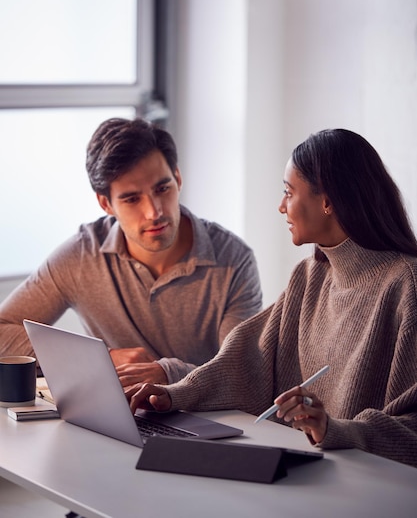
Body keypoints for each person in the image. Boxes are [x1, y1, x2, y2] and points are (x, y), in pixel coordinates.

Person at [126, 128, 417, 467]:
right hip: (309, 472)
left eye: (288, 192)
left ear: (327, 201)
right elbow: (247, 360)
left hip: (368, 487)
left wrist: (335, 430)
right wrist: (174, 394)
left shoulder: (407, 287)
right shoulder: (309, 276)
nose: (281, 206)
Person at [0, 118, 263, 384]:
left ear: (178, 178)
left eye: (162, 189)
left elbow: (241, 370)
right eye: (132, 199)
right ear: (106, 204)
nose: (154, 212)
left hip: (207, 418)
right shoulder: (80, 257)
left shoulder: (234, 259)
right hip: (118, 417)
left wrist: (168, 373)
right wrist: (104, 357)